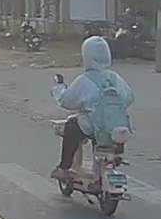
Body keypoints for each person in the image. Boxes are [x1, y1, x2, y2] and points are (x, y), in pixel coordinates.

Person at [51, 36, 134, 179]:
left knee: (71, 126)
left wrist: (59, 89)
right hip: (117, 128)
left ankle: (64, 168)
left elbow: (67, 101)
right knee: (101, 134)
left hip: (94, 126)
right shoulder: (115, 78)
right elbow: (129, 97)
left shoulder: (85, 80)